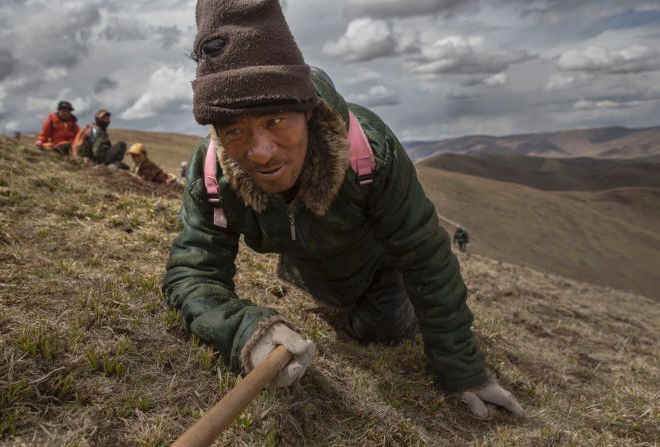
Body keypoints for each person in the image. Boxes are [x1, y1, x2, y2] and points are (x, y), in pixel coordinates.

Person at [164, 0, 524, 419]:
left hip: (378, 269)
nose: (260, 152)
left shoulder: (368, 151)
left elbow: (426, 256)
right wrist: (245, 330)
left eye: (276, 121)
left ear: (307, 110)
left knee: (385, 330)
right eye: (235, 131)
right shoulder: (212, 174)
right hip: (312, 272)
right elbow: (191, 272)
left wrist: (463, 371)